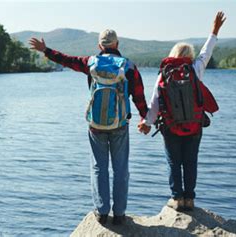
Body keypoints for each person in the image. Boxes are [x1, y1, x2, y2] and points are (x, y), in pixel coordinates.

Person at [29, 30, 148, 225]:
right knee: (121, 169)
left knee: (98, 167)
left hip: (95, 125)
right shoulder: (129, 66)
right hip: (120, 124)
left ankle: (101, 212)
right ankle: (119, 215)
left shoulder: (90, 62)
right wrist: (146, 119)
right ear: (117, 44)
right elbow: (139, 96)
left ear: (100, 46)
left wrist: (46, 50)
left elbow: (67, 60)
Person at [138, 11, 226, 211]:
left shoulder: (164, 74)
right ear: (189, 57)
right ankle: (190, 199)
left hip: (170, 127)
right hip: (194, 126)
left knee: (174, 162)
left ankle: (177, 199)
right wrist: (215, 30)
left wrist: (146, 123)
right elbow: (207, 52)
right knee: (190, 162)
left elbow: (154, 102)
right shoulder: (194, 70)